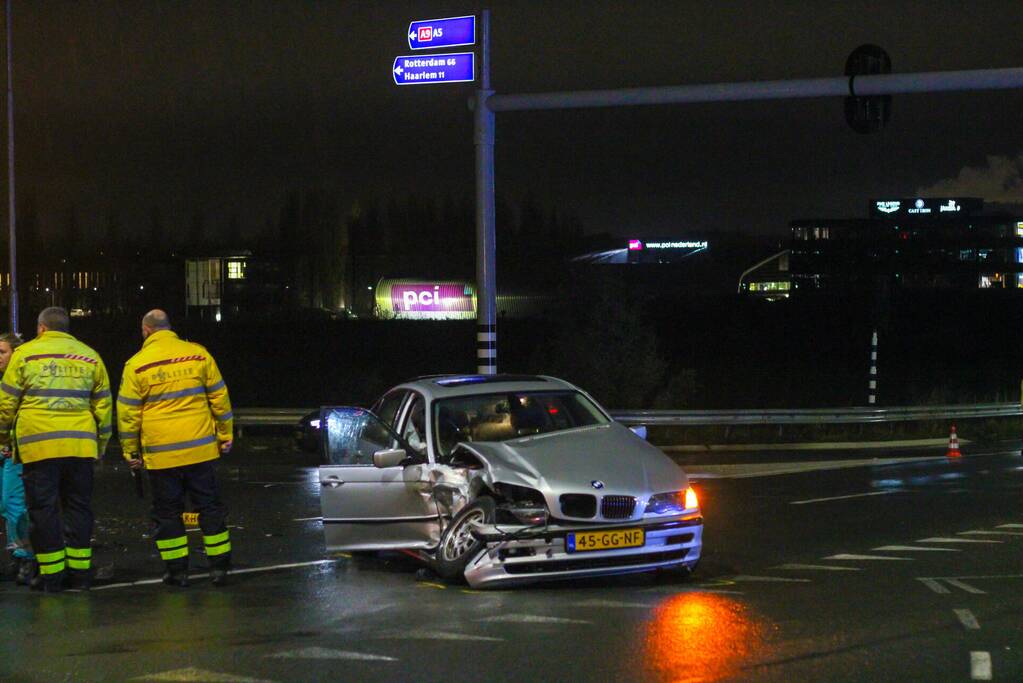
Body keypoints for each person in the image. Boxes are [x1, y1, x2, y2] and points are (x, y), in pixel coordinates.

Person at [117, 309, 234, 588]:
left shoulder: (136, 364)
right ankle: (219, 568)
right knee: (209, 507)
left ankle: (177, 572)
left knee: (168, 513)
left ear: (145, 331)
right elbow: (219, 396)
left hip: (162, 454)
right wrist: (225, 434)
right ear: (170, 327)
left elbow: (128, 414)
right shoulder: (198, 354)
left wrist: (131, 452)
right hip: (201, 450)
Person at [0, 307, 112, 592]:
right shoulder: (90, 356)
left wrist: (3, 438)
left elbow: (6, 404)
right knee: (79, 508)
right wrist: (100, 446)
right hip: (80, 445)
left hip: (39, 446)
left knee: (43, 511)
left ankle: (51, 576)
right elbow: (103, 407)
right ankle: (80, 574)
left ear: (41, 329)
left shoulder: (26, 354)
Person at [0, 332, 36, 585]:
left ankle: (24, 556)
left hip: (14, 451)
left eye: (2, 352)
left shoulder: (22, 380)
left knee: (14, 504)